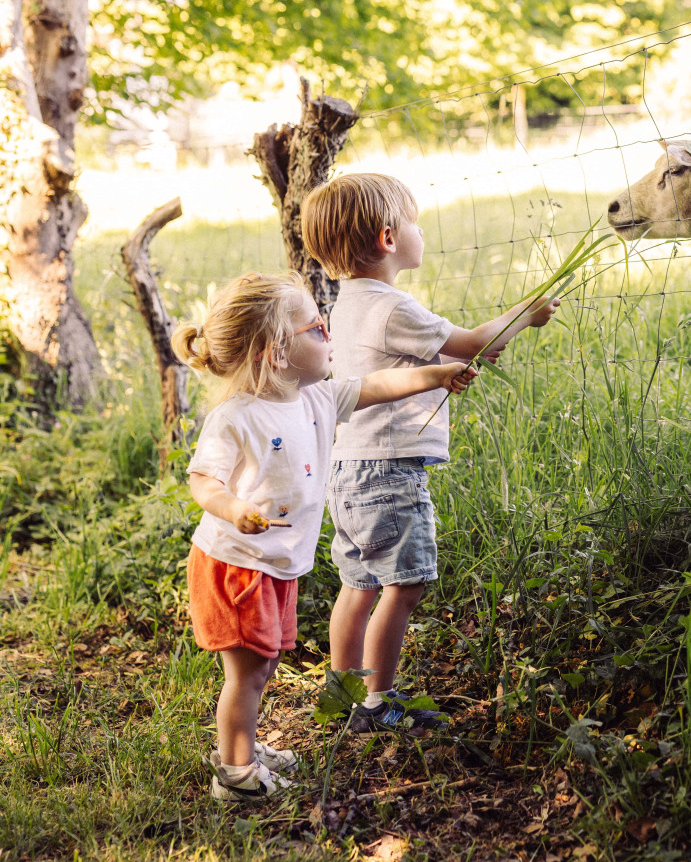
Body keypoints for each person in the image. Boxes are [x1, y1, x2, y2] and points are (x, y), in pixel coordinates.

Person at [173, 270, 479, 801]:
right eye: (317, 329)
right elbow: (203, 480)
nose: (329, 336)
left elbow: (378, 386)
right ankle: (236, 774)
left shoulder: (313, 399)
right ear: (275, 353)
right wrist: (233, 507)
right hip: (236, 563)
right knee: (246, 673)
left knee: (262, 665)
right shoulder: (235, 418)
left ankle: (238, 744)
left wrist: (437, 373)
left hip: (271, 563)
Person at [302, 173, 558, 732]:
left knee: (358, 584)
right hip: (388, 470)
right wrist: (526, 315)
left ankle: (344, 695)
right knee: (404, 584)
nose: (421, 230)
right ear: (389, 238)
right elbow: (473, 345)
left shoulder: (345, 304)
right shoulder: (392, 307)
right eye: (413, 221)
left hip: (348, 468)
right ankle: (379, 702)